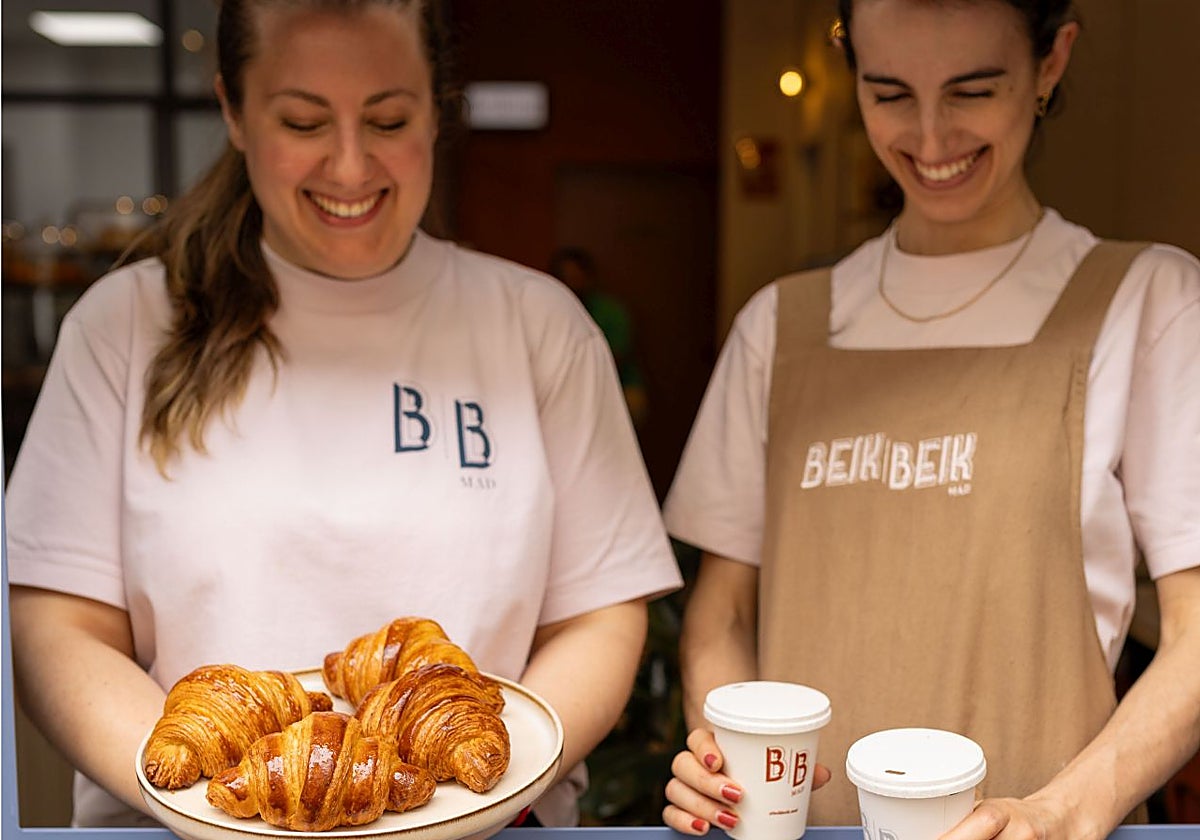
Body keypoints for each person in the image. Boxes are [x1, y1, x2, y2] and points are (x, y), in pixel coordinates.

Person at [4, 0, 682, 829]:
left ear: (438, 109)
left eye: (389, 118)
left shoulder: (539, 328)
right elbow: (58, 624)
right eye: (303, 120)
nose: (351, 165)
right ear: (233, 111)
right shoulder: (121, 328)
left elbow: (601, 612)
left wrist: (485, 793)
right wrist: (207, 810)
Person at [661, 1, 1200, 838]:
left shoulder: (1147, 303)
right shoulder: (780, 327)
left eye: (972, 90)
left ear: (1052, 62)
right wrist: (726, 764)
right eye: (889, 94)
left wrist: (1065, 812)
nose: (931, 138)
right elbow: (722, 613)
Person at [549, 246, 649, 427]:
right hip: (567, 388)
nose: (571, 283)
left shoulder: (611, 311)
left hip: (618, 385)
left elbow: (616, 357)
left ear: (588, 278)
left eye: (576, 277)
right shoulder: (551, 310)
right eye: (565, 278)